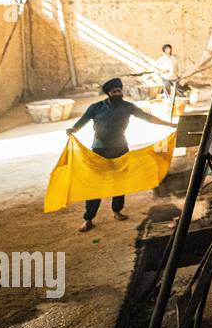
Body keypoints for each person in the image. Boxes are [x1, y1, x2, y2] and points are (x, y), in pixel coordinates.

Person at [65, 78, 172, 232]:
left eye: (119, 90)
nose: (118, 93)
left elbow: (147, 118)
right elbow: (83, 121)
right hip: (99, 152)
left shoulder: (128, 107)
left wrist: (170, 125)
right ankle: (88, 219)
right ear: (108, 93)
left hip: (120, 150)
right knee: (95, 186)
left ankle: (117, 211)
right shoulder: (96, 107)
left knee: (119, 183)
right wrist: (74, 129)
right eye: (114, 91)